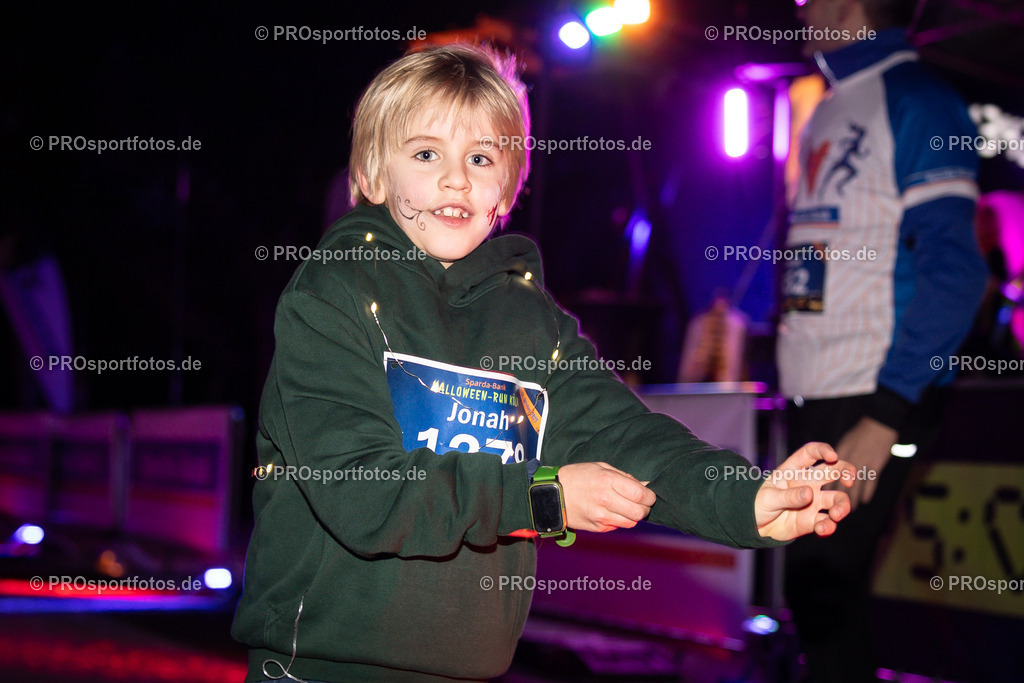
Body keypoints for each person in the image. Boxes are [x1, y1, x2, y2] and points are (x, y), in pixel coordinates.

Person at [232, 44, 855, 683]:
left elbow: (628, 439)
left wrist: (744, 497)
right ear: (371, 175)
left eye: (480, 158)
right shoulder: (332, 295)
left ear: (509, 181)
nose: (457, 179)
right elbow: (362, 494)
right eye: (426, 155)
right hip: (322, 668)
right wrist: (546, 498)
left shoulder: (531, 319)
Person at [776, 1, 988, 681]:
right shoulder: (833, 101)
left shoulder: (917, 96)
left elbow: (958, 273)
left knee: (822, 590)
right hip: (819, 391)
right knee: (815, 594)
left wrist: (886, 411)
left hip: (872, 393)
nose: (800, 11)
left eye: (812, 0)